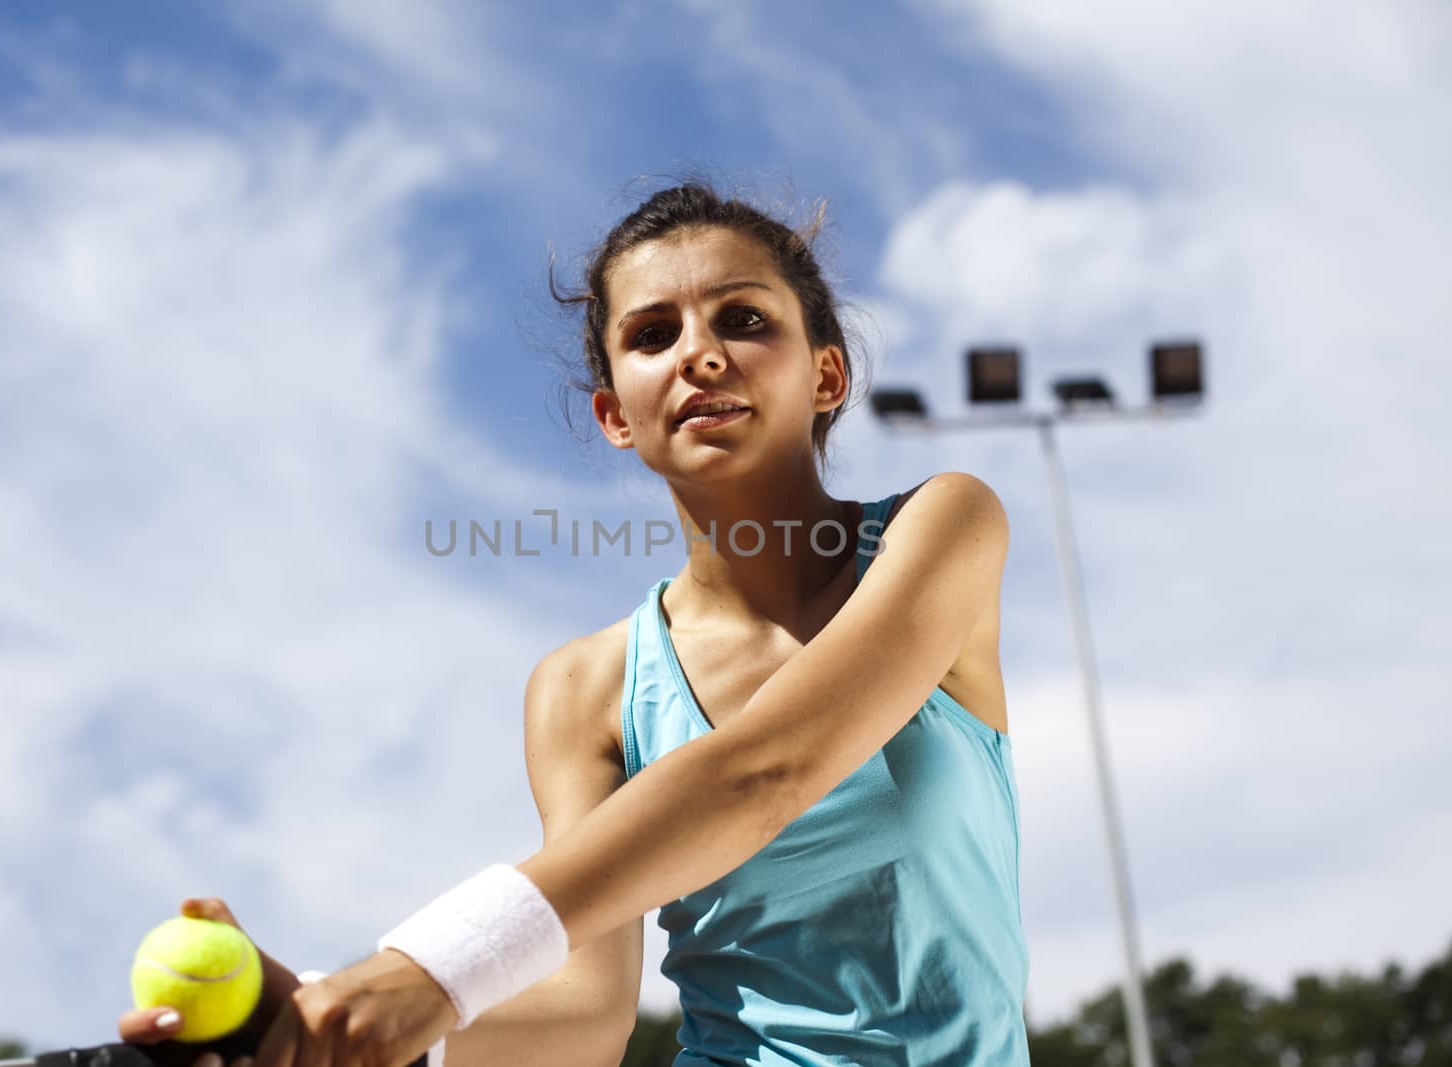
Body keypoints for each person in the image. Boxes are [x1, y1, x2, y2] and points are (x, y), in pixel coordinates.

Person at [117, 182, 1028, 1066]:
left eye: (744, 319)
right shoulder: (585, 687)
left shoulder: (941, 525)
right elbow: (589, 1018)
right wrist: (317, 1012)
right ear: (614, 415)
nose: (700, 354)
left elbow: (766, 769)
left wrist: (432, 968)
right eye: (652, 334)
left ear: (827, 373)